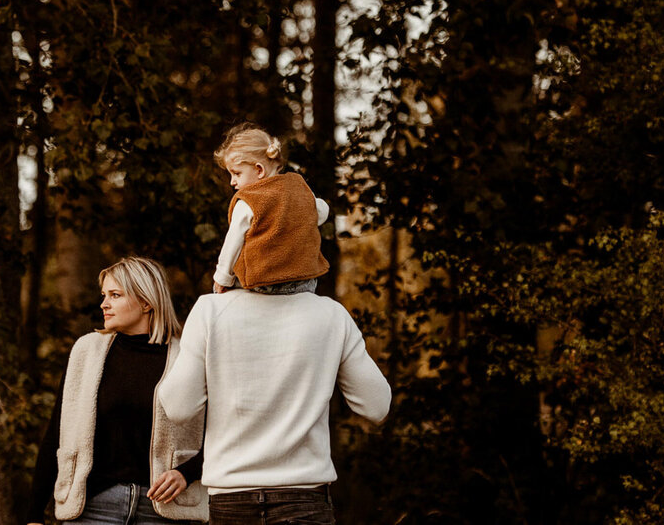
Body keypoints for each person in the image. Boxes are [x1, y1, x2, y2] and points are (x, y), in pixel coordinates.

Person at [156, 286, 391, 524]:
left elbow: (178, 408)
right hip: (304, 496)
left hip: (232, 499)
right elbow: (377, 406)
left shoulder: (211, 309)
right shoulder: (331, 314)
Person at [26, 257, 208, 525]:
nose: (104, 304)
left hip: (164, 512)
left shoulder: (187, 358)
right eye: (104, 295)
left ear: (146, 302)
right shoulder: (86, 352)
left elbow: (221, 432)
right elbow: (56, 434)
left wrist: (187, 472)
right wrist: (33, 515)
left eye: (115, 295)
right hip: (93, 509)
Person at [211, 123, 330, 295]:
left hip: (265, 283)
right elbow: (321, 211)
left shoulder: (249, 200)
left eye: (237, 174)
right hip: (305, 281)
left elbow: (233, 242)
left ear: (259, 170)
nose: (232, 182)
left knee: (219, 296)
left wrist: (222, 279)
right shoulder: (298, 186)